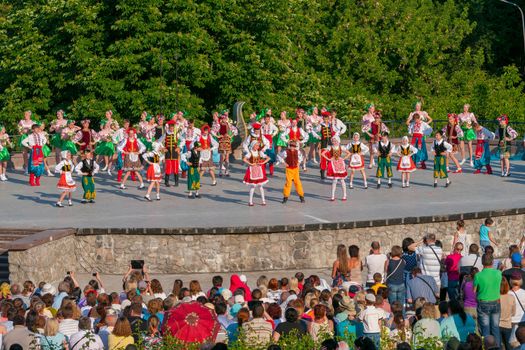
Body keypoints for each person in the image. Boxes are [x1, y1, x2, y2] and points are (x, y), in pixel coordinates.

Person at [474, 253, 502, 345]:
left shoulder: (478, 275)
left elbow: (474, 290)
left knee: (485, 328)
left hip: (483, 302)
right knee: (495, 327)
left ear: (482, 262)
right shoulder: (498, 273)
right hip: (496, 302)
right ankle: (497, 347)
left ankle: (487, 347)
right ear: (493, 262)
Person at [322, 136, 350, 201]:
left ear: (338, 141)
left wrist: (344, 158)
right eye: (333, 141)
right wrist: (329, 159)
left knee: (342, 180)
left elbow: (349, 153)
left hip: (340, 164)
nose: (334, 142)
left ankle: (344, 195)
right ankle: (332, 196)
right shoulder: (330, 147)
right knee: (334, 180)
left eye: (336, 141)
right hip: (333, 164)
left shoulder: (341, 147)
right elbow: (322, 153)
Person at [242, 141, 270, 206]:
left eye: (258, 145)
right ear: (253, 145)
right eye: (256, 145)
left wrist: (263, 163)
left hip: (259, 170)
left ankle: (263, 201)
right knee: (253, 186)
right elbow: (244, 159)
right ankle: (250, 201)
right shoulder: (250, 153)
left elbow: (268, 158)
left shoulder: (260, 152)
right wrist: (250, 164)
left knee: (260, 186)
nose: (257, 147)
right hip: (253, 170)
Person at [156, 119, 180, 187]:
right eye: (170, 127)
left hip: (174, 152)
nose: (171, 129)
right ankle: (166, 182)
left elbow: (182, 140)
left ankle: (176, 182)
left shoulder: (176, 134)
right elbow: (159, 141)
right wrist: (163, 148)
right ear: (168, 127)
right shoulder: (165, 134)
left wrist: (179, 147)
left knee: (175, 167)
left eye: (173, 127)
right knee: (168, 167)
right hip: (168, 152)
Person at [499, 277, 516, 350]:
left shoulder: (496, 298)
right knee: (508, 346)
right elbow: (513, 313)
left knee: (498, 345)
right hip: (508, 324)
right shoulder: (511, 297)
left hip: (497, 324)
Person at [510, 272, 525, 346]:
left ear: (511, 281)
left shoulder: (507, 293)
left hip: (510, 321)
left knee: (511, 344)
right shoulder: (524, 292)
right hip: (522, 321)